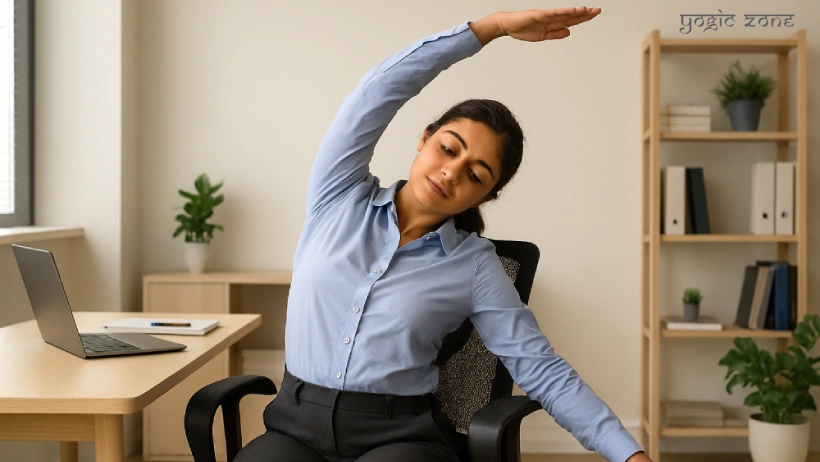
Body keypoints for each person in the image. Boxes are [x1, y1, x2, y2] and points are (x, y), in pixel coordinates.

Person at [236, 7, 652, 462]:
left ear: (485, 197)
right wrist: (492, 29)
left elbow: (542, 368)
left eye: (475, 173)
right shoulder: (337, 197)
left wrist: (629, 456)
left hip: (397, 439)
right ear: (424, 138)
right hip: (293, 427)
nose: (451, 171)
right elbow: (377, 92)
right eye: (447, 148)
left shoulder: (475, 265)